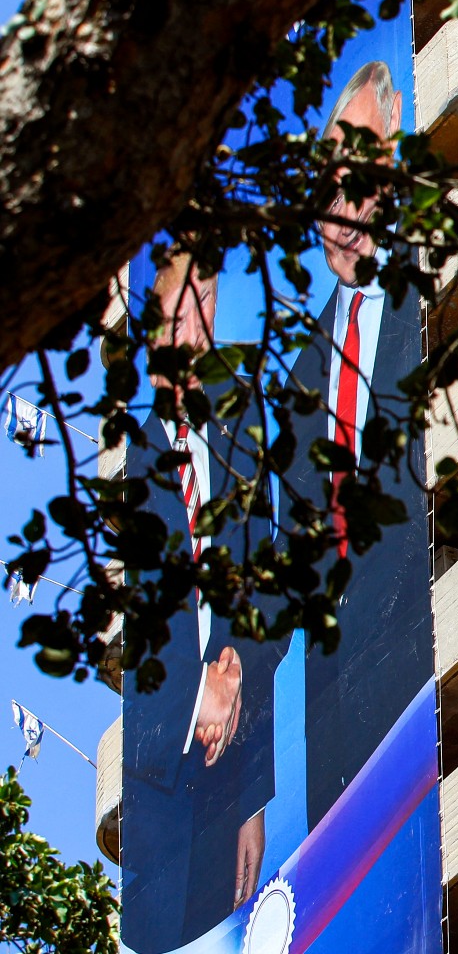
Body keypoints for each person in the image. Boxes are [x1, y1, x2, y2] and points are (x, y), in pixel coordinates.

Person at [284, 58, 433, 829]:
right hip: (333, 719)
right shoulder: (302, 375)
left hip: (428, 683)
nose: (346, 211)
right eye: (328, 191)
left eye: (363, 178)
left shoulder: (437, 291)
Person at [121, 255, 281, 951]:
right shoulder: (115, 451)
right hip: (147, 796)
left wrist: (251, 798)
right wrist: (196, 697)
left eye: (208, 298)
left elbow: (266, 607)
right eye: (177, 302)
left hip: (225, 799)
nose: (195, 321)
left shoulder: (244, 438)